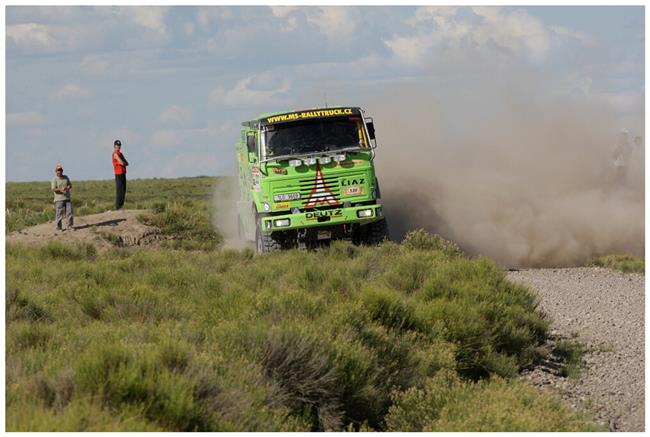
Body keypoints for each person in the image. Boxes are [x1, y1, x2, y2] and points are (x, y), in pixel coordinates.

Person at [51, 164, 73, 232]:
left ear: (62, 171)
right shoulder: (54, 179)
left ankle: (69, 226)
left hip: (67, 198)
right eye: (58, 170)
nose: (59, 171)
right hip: (59, 199)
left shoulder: (66, 177)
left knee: (69, 212)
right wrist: (60, 190)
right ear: (56, 171)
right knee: (59, 213)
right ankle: (58, 227)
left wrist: (67, 187)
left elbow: (70, 185)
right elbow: (53, 189)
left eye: (60, 170)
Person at [112, 139, 129, 210]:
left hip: (123, 173)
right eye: (117, 145)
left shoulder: (120, 154)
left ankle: (121, 205)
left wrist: (122, 162)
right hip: (118, 173)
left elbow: (126, 163)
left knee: (123, 190)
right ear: (114, 146)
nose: (118, 147)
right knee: (119, 190)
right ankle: (118, 206)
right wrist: (121, 162)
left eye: (119, 145)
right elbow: (122, 162)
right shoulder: (115, 154)